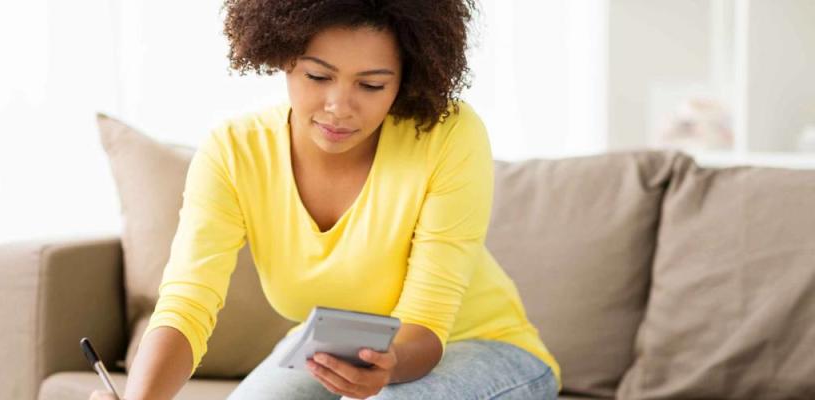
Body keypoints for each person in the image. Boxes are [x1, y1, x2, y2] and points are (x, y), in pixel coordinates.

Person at [92, 0, 560, 399]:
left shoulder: (447, 135)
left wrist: (389, 366)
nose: (339, 105)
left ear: (406, 79)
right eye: (318, 76)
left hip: (484, 346)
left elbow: (426, 323)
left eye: (371, 85)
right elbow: (187, 304)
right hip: (326, 351)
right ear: (283, 58)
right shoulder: (234, 152)